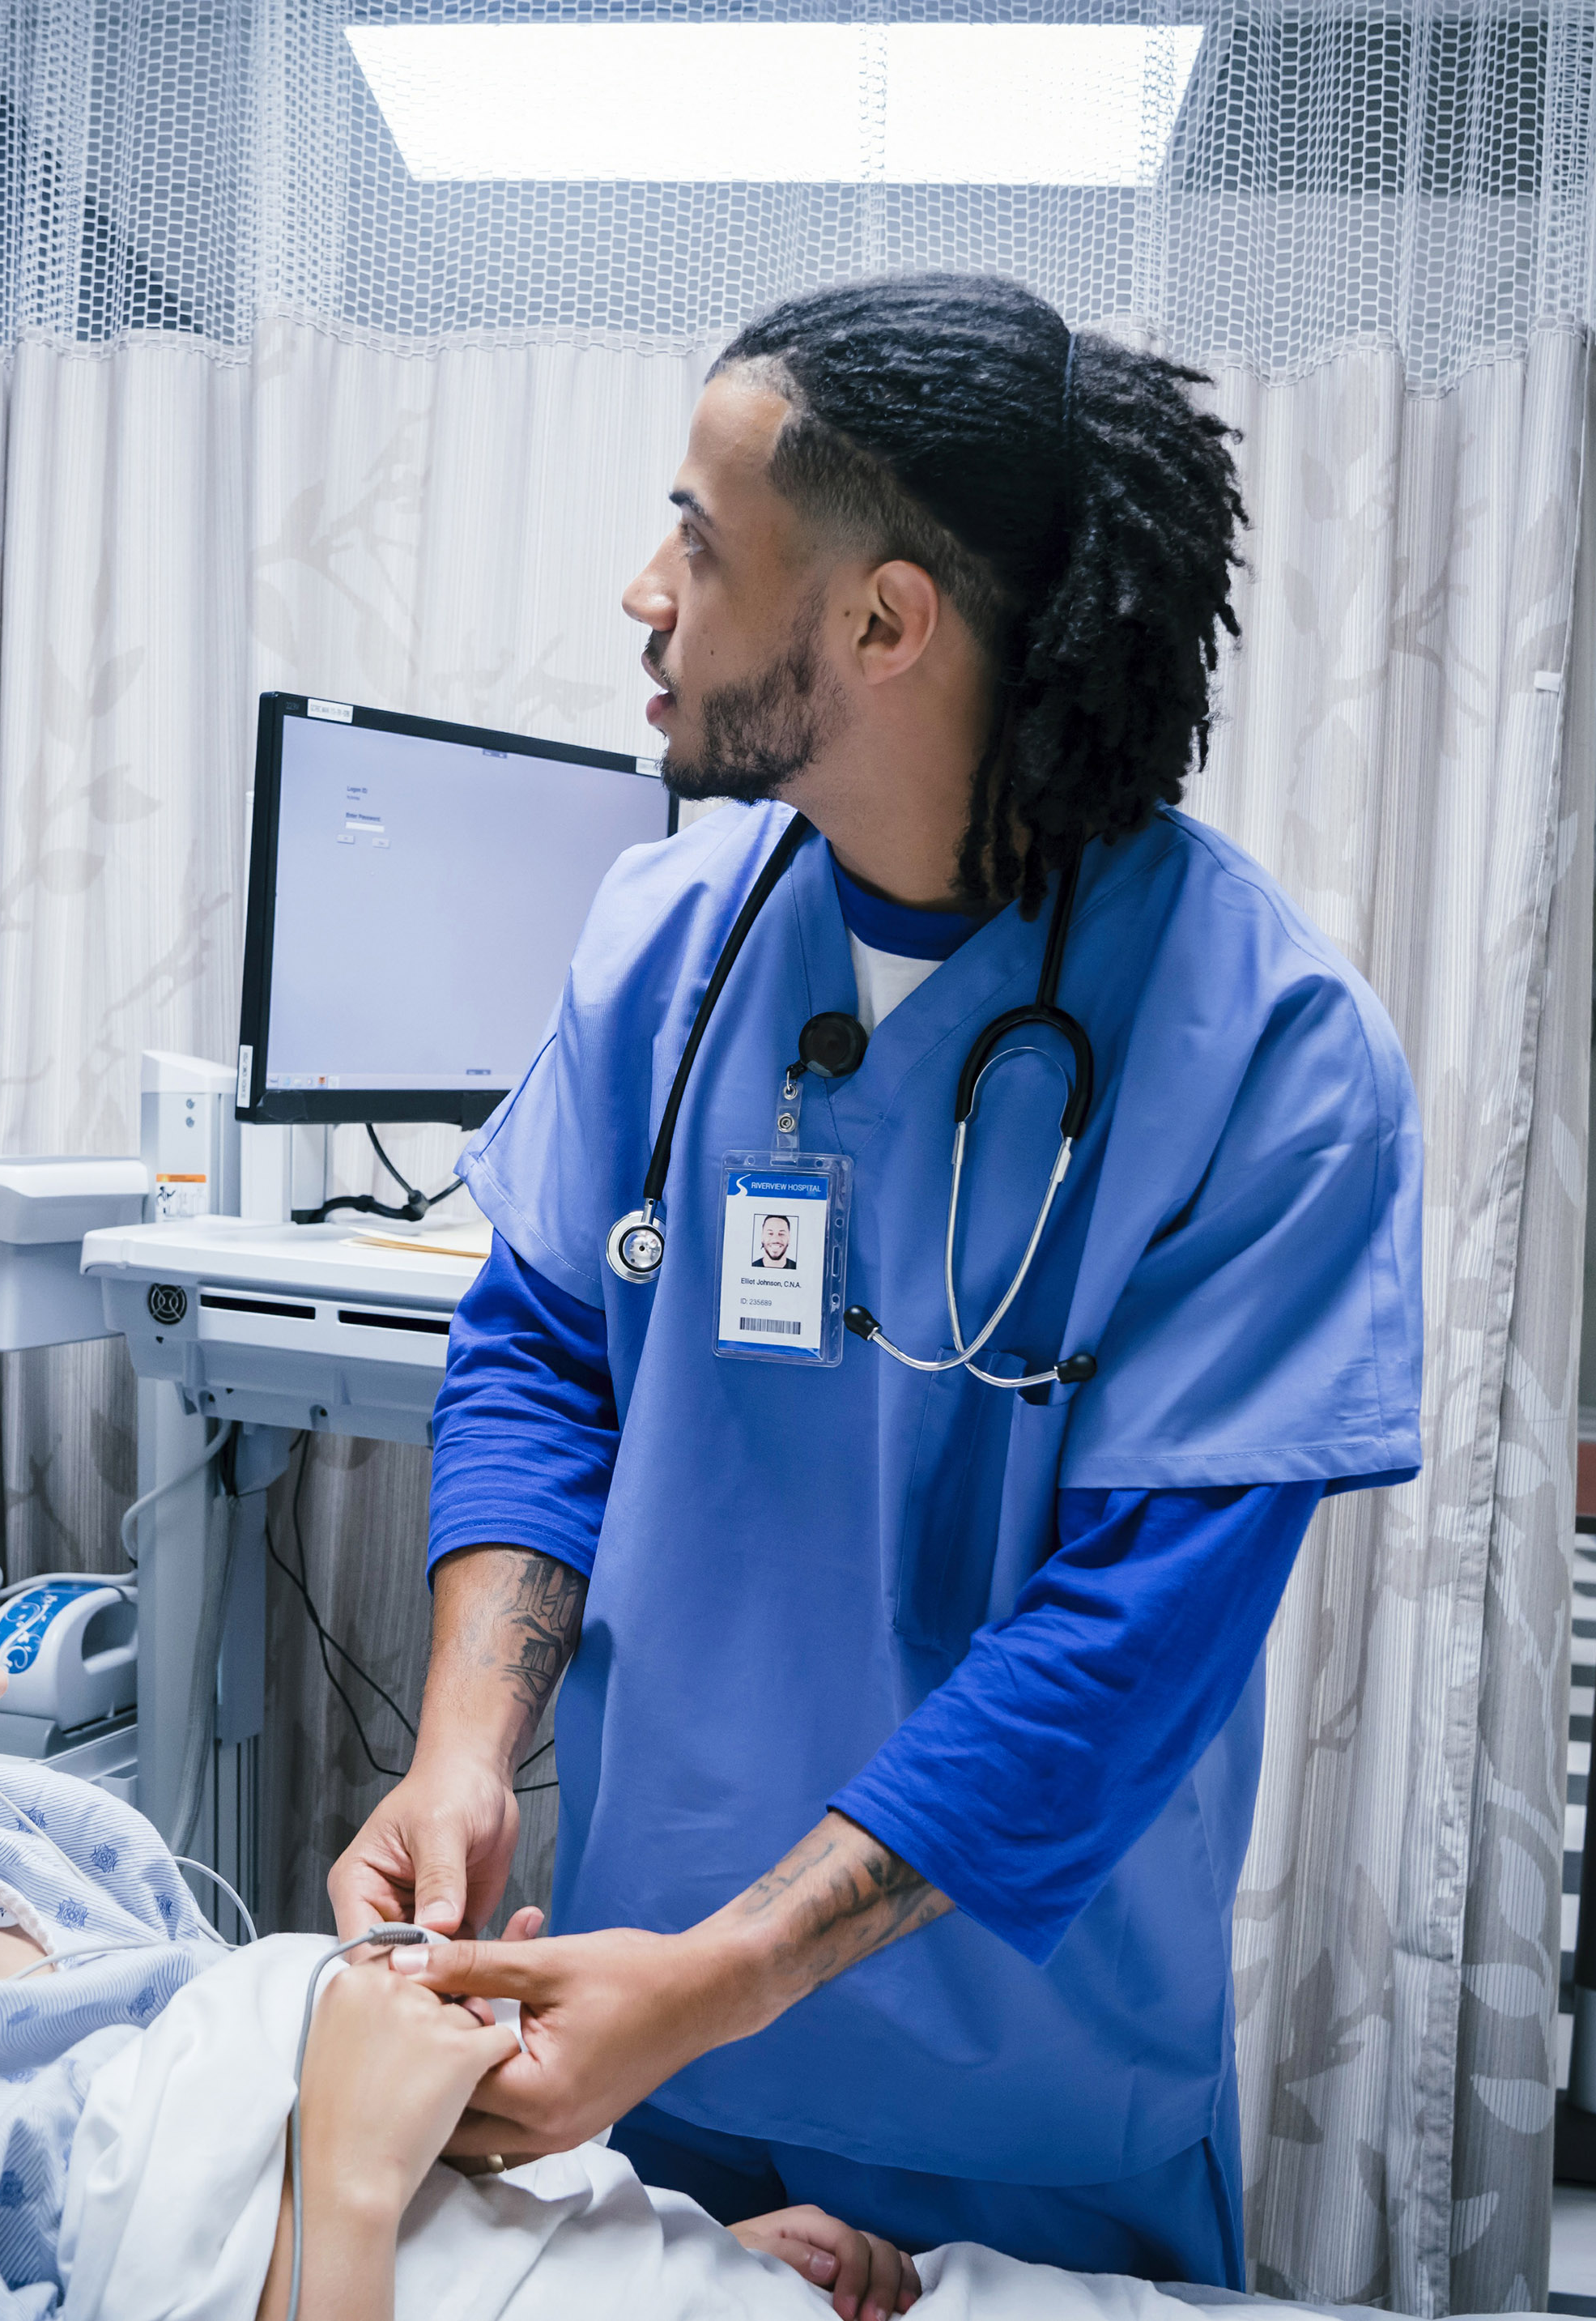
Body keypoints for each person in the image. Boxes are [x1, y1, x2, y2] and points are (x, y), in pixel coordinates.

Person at [333, 275, 1424, 2287]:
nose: (643, 591)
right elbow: (543, 1352)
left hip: (1024, 2096)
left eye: (699, 536)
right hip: (640, 2042)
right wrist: (464, 1744)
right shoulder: (667, 939)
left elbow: (1136, 1639)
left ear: (884, 623)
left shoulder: (1273, 1053)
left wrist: (732, 1968)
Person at [0, 1381, 930, 2321]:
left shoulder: (40, 1840)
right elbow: (305, 2180)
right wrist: (346, 2168)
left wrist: (671, 2242)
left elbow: (280, 2104)